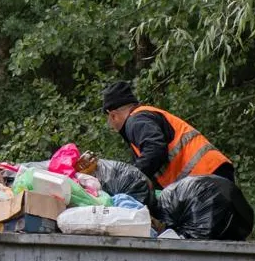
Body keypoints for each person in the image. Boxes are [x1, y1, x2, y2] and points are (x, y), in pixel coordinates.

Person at [101, 81, 236, 189]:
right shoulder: (144, 116)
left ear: (113, 115)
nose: (110, 124)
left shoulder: (136, 121)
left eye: (108, 119)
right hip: (210, 171)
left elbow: (155, 149)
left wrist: (129, 178)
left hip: (204, 176)